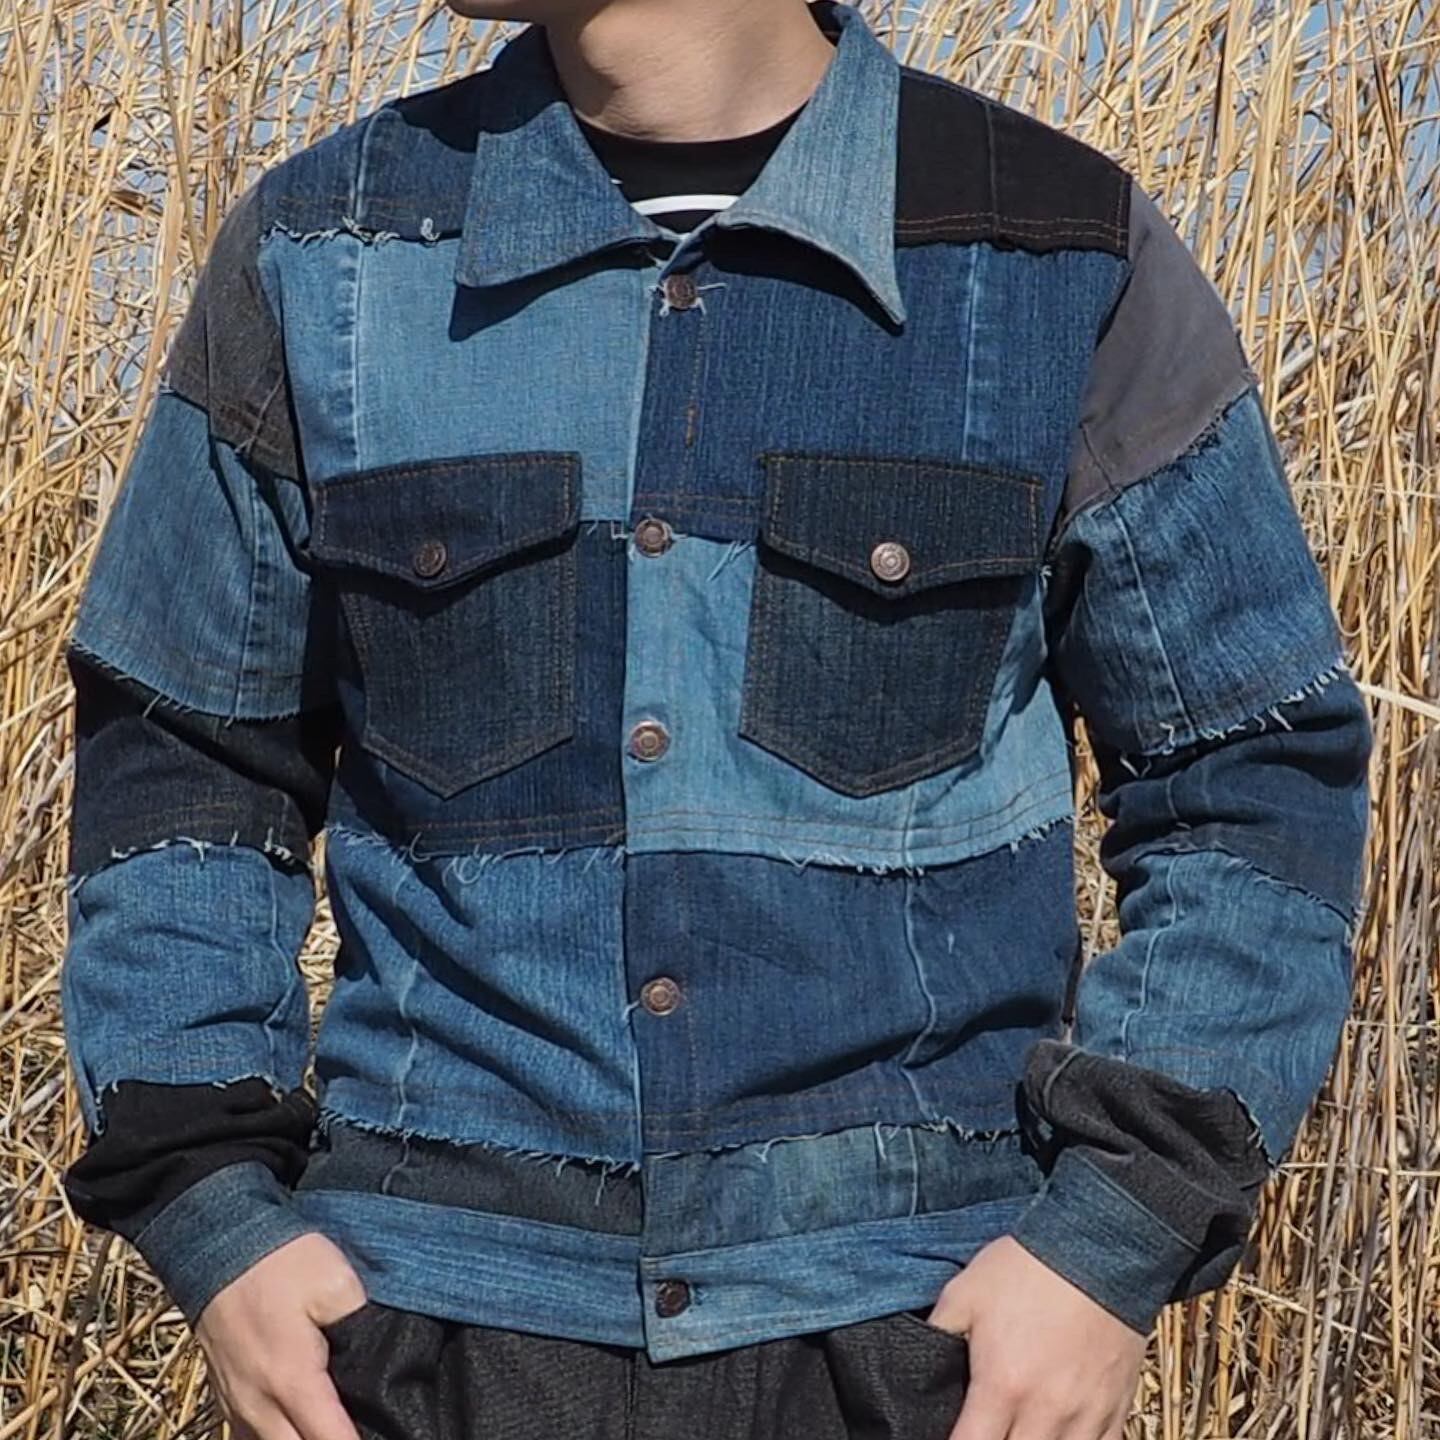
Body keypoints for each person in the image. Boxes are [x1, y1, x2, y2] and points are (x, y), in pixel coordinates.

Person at [57, 1, 1373, 1437]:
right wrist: (215, 1214)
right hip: (425, 1339)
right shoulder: (327, 255)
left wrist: (1106, 1246)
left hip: (913, 1345)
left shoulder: (1053, 257)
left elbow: (1250, 775)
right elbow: (181, 763)